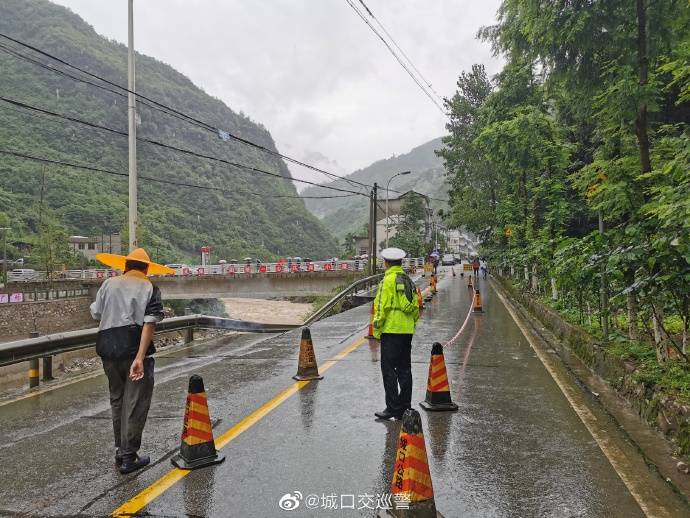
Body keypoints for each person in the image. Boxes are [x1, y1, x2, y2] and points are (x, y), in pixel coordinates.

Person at [90, 248, 173, 474]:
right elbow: (150, 323)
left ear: (125, 266)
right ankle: (129, 456)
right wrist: (139, 357)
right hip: (133, 349)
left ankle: (120, 450)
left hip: (108, 349)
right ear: (146, 269)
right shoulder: (150, 288)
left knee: (117, 400)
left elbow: (96, 314)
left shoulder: (109, 284)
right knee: (136, 402)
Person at [372, 247, 420, 420]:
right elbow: (416, 305)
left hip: (391, 330)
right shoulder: (407, 279)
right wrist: (411, 325)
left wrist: (377, 329)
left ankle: (392, 408)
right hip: (406, 330)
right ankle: (405, 406)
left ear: (386, 263)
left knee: (389, 369)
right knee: (405, 369)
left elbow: (380, 307)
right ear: (401, 262)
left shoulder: (388, 280)